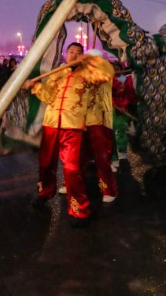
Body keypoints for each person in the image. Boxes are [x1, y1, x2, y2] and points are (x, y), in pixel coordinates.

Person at [24, 42, 107, 228]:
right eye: (71, 51)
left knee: (71, 169)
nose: (74, 54)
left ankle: (80, 210)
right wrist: (35, 86)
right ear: (65, 54)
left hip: (73, 126)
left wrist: (93, 62)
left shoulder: (88, 75)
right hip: (52, 123)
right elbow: (48, 97)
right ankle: (44, 194)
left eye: (78, 52)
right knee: (45, 164)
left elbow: (104, 77)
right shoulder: (57, 72)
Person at [82, 50, 117, 202]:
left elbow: (108, 72)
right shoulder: (80, 74)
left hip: (99, 120)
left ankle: (108, 189)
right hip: (79, 120)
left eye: (94, 60)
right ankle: (70, 184)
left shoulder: (105, 73)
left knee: (101, 157)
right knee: (77, 156)